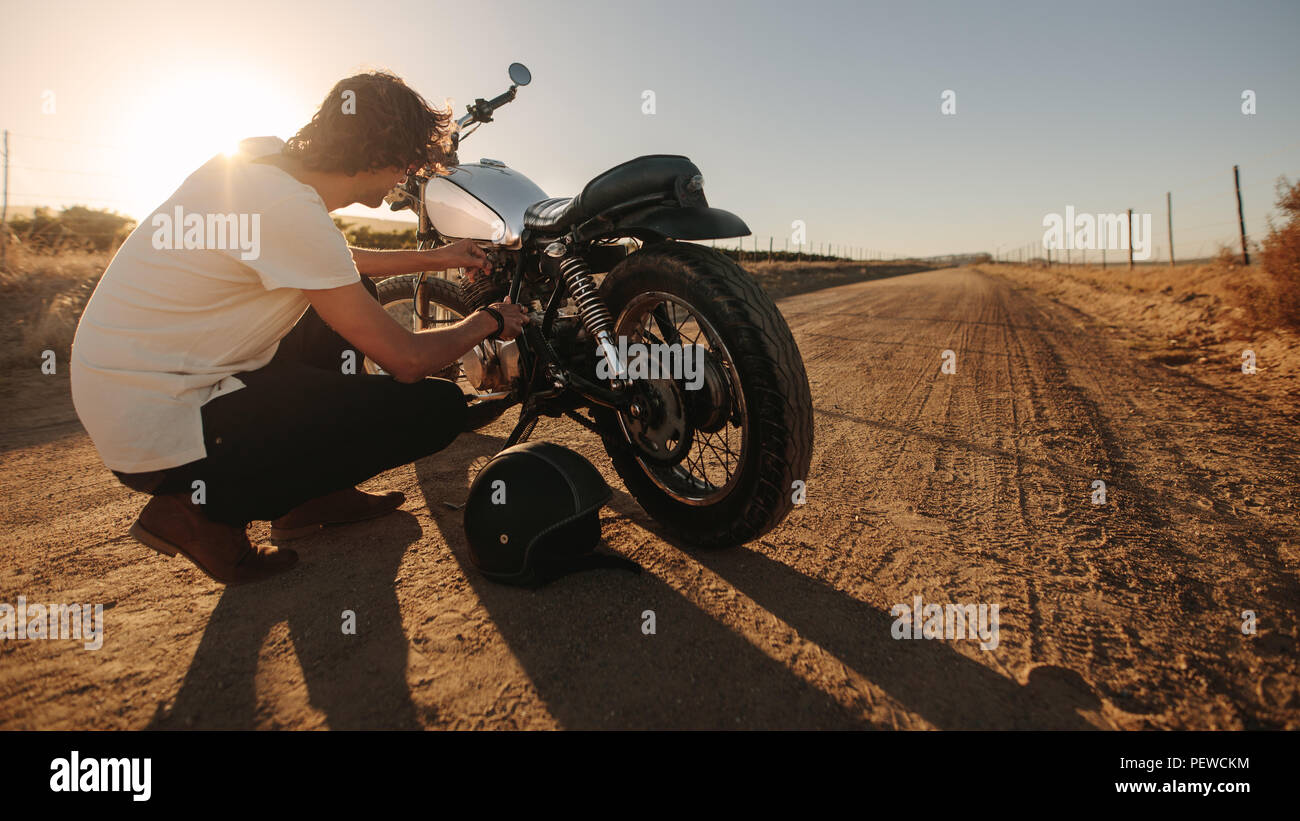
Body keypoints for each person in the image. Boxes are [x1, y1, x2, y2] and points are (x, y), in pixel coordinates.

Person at [70, 71, 528, 585]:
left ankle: (308, 501)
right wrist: (488, 321)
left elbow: (330, 260)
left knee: (352, 299)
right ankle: (194, 512)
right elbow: (408, 359)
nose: (403, 180)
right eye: (404, 165)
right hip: (159, 430)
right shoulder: (287, 207)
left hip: (131, 390)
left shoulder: (262, 163)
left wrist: (438, 256)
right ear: (375, 156)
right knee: (437, 410)